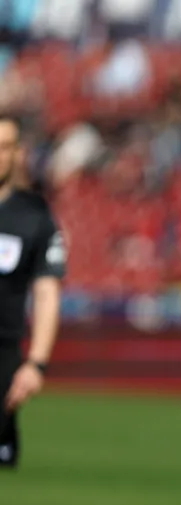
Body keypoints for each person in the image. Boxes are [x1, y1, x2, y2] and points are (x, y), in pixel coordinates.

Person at [0, 115, 65, 471]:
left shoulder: (34, 216)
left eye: (5, 147)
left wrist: (36, 364)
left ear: (17, 153)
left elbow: (46, 292)